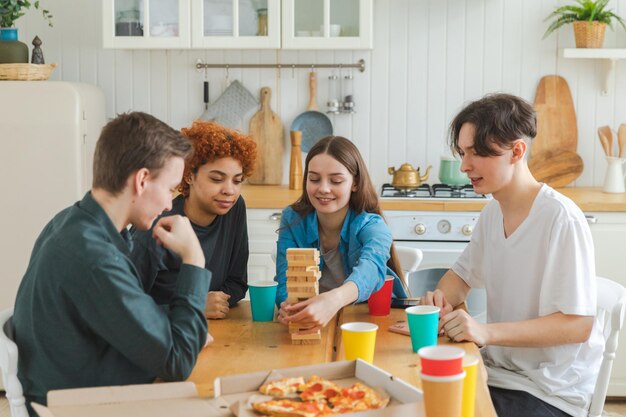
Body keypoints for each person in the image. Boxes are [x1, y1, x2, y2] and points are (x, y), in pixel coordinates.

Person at [12, 112, 212, 412]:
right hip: (79, 408)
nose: (170, 203)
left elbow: (119, 313)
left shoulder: (70, 221)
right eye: (170, 189)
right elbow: (178, 361)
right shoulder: (95, 257)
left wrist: (175, 330)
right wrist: (194, 259)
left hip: (77, 389)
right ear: (142, 180)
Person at [421, 94, 603, 417]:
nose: (464, 166)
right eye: (463, 153)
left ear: (517, 151)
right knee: (421, 401)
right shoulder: (492, 215)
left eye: (476, 153)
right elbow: (460, 278)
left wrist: (485, 332)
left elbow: (577, 325)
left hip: (549, 391)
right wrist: (437, 301)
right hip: (498, 374)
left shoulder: (561, 219)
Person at [275, 136, 408, 332]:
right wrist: (288, 305)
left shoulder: (372, 225)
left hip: (368, 324)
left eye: (336, 180)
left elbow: (371, 269)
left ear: (354, 183)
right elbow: (285, 280)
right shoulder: (292, 219)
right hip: (314, 328)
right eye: (314, 179)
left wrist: (333, 300)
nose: (323, 188)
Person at [130, 121, 256, 319]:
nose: (229, 190)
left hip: (209, 332)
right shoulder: (155, 227)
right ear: (189, 175)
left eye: (237, 180)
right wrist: (192, 306)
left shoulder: (234, 207)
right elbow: (125, 308)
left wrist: (208, 304)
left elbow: (237, 282)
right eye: (216, 179)